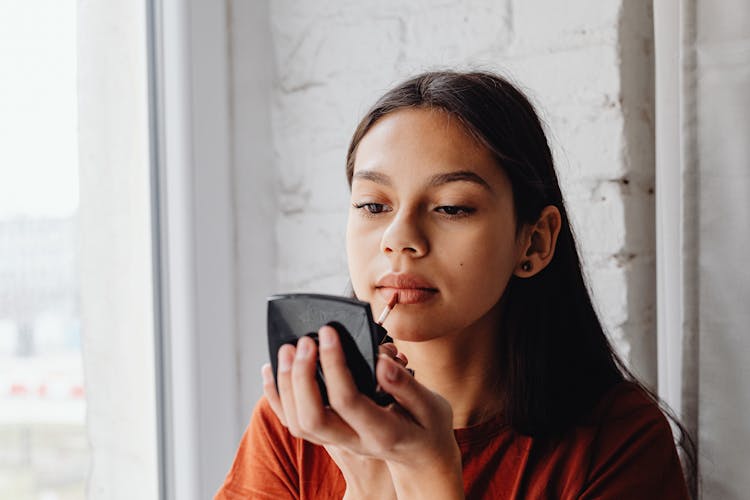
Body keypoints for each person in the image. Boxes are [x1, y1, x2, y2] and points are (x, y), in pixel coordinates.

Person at [215, 71, 694, 499]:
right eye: (372, 206)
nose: (399, 238)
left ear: (534, 243)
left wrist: (426, 473)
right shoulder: (301, 420)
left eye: (451, 208)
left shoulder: (618, 444)